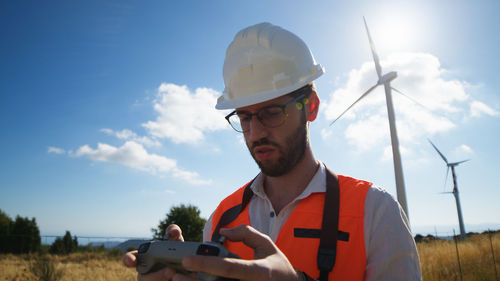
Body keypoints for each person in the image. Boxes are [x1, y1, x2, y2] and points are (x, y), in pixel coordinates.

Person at [124, 22, 422, 281]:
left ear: (312, 107)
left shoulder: (376, 212)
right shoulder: (220, 220)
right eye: (244, 117)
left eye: (272, 111)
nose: (256, 133)